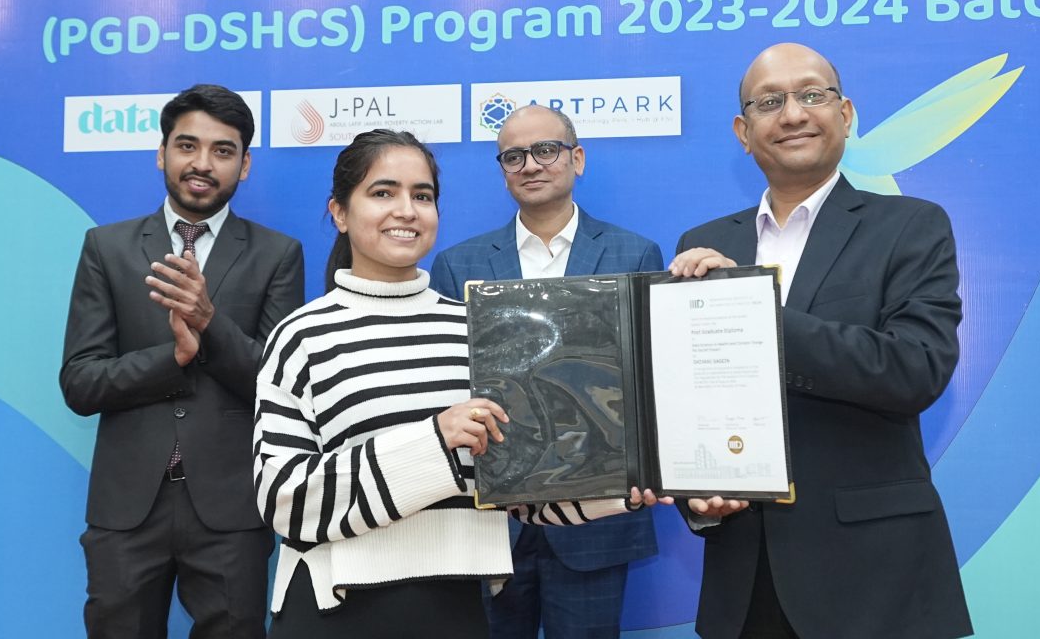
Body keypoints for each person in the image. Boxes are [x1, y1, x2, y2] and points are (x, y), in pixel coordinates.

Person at [253, 129, 662, 639]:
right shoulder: (302, 335)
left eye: (422, 195)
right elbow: (284, 499)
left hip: (460, 606)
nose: (406, 210)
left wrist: (624, 486)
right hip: (334, 608)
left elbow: (520, 487)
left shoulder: (477, 328)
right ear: (339, 212)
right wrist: (433, 442)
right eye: (383, 192)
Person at [668, 43, 973, 639]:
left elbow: (915, 369)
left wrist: (751, 310)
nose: (792, 114)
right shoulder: (703, 243)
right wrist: (697, 495)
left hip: (875, 579)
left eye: (812, 94)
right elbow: (689, 398)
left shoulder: (911, 226)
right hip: (745, 579)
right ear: (743, 132)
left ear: (846, 113)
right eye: (769, 102)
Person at [60, 84, 305, 639]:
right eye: (187, 145)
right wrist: (172, 359)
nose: (202, 163)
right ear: (161, 153)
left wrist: (208, 322)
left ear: (245, 165)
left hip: (231, 508)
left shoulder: (277, 255)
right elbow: (80, 381)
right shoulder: (107, 248)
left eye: (223, 150)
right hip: (127, 509)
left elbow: (278, 387)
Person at [430, 105, 663, 639]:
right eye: (513, 156)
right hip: (490, 521)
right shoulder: (459, 265)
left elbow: (650, 381)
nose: (531, 165)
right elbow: (444, 384)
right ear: (502, 169)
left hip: (597, 520)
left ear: (576, 158)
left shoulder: (634, 253)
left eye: (546, 150)